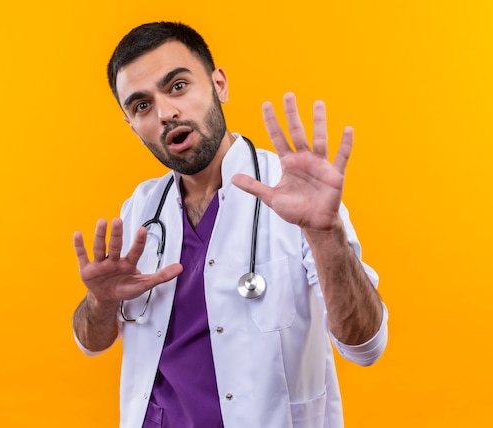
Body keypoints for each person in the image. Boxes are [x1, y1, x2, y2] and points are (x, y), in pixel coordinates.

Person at [72, 21, 388, 428]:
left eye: (178, 86)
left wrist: (326, 236)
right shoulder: (140, 210)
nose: (166, 112)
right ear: (132, 125)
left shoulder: (295, 195)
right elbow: (92, 344)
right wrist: (101, 301)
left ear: (219, 84)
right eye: (142, 106)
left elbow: (366, 347)